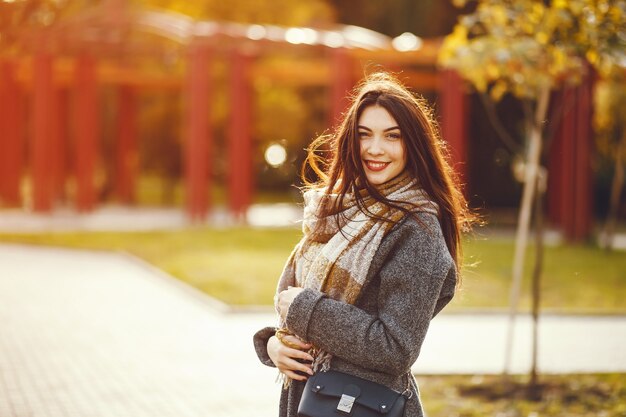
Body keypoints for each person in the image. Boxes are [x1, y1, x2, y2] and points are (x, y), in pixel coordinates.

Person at [253, 72, 473, 417]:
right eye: (364, 135)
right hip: (313, 399)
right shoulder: (340, 212)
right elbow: (292, 307)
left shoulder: (417, 231)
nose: (374, 148)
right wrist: (273, 344)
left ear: (412, 145)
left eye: (392, 137)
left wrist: (308, 310)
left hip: (361, 405)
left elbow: (395, 347)